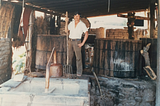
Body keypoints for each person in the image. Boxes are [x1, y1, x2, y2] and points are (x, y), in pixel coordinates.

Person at [65, 12, 88, 76]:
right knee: (69, 57)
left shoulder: (82, 24)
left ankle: (79, 72)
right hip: (70, 41)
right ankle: (68, 71)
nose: (76, 17)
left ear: (79, 17)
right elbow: (66, 31)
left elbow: (86, 33)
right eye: (75, 16)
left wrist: (82, 43)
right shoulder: (71, 23)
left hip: (77, 41)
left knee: (78, 58)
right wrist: (66, 22)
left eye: (77, 16)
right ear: (74, 17)